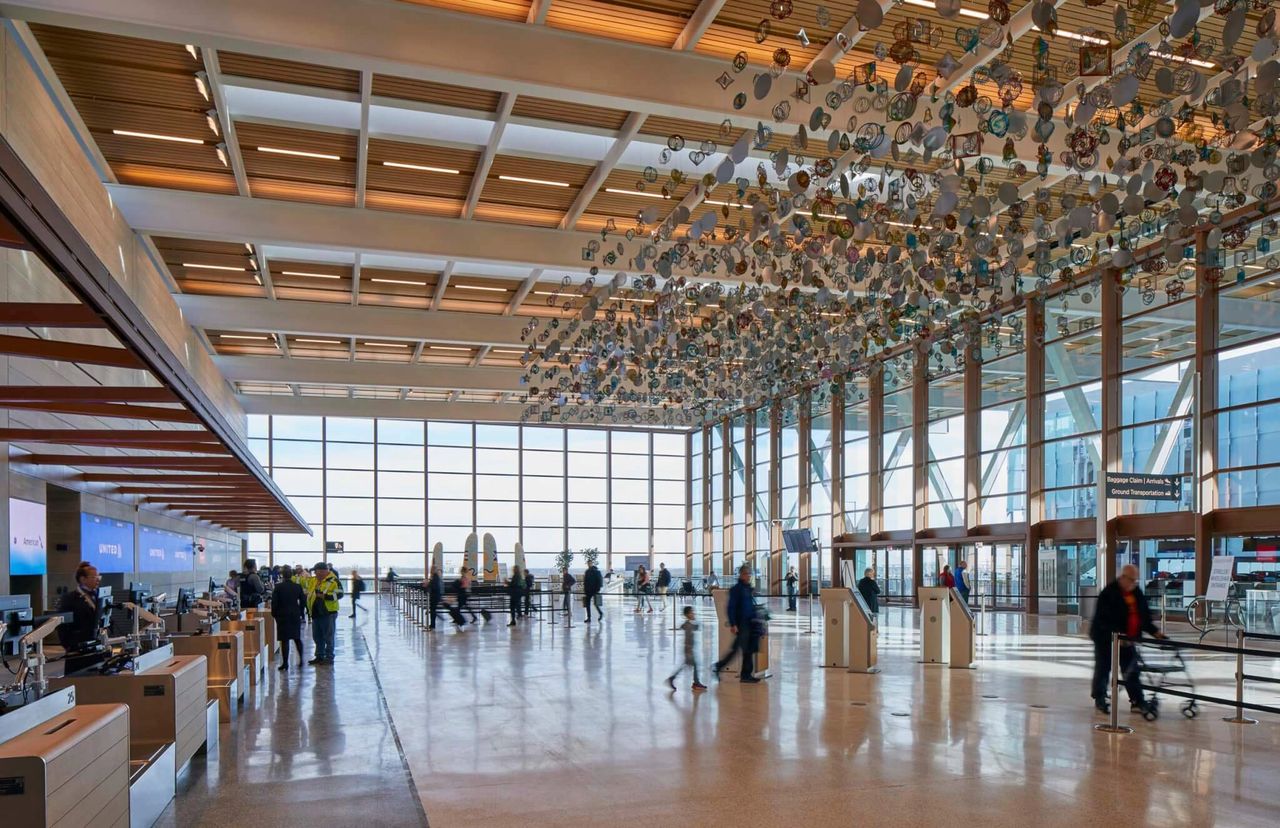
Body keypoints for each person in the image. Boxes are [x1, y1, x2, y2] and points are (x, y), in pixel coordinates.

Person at [1090, 564, 1164, 714]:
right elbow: (1103, 619)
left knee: (1131, 670)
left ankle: (1137, 700)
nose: (1133, 583)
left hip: (1127, 639)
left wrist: (1155, 632)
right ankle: (1100, 697)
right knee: (1103, 667)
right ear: (1122, 577)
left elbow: (1143, 616)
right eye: (1131, 579)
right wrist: (1116, 634)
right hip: (1106, 638)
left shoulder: (1136, 593)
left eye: (1135, 580)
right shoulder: (1109, 593)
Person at [713, 565, 761, 683]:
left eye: (749, 574)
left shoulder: (747, 588)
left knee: (747, 650)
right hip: (742, 624)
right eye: (746, 574)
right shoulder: (737, 589)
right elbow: (731, 607)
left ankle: (745, 675)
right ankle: (720, 666)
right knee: (738, 650)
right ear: (741, 574)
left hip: (749, 622)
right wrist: (733, 623)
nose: (748, 576)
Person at [57, 562, 102, 650]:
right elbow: (62, 625)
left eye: (98, 577)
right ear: (83, 579)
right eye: (94, 577)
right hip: (78, 646)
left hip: (97, 645)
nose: (98, 580)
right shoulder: (70, 598)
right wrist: (68, 645)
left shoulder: (98, 595)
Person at [271, 568, 307, 670]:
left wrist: (274, 614)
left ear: (282, 575)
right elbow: (303, 601)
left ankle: (285, 663)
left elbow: (274, 602)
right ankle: (301, 660)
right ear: (291, 575)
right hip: (294, 615)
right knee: (297, 638)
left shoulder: (278, 587)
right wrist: (300, 612)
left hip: (282, 615)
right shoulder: (297, 586)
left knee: (284, 640)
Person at [667, 606, 707, 692]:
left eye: (693, 612)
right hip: (689, 650)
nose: (693, 614)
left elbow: (696, 627)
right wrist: (689, 651)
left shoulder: (688, 624)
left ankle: (673, 678)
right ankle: (696, 683)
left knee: (686, 665)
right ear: (687, 614)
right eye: (691, 612)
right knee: (694, 665)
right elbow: (689, 636)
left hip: (689, 650)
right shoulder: (688, 625)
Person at [308, 562, 341, 665]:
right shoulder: (313, 580)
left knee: (328, 636)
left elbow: (340, 594)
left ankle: (329, 657)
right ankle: (319, 656)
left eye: (316, 571)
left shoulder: (334, 581)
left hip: (328, 612)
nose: (315, 573)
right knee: (317, 636)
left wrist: (326, 596)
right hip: (316, 612)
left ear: (323, 571)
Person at [426, 566, 444, 631]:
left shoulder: (435, 577)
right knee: (433, 610)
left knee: (433, 610)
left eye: (432, 569)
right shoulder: (434, 577)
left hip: (435, 596)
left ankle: (433, 625)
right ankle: (432, 624)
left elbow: (434, 587)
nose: (431, 570)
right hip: (435, 596)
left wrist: (428, 584)